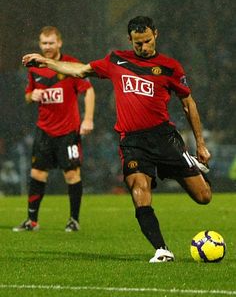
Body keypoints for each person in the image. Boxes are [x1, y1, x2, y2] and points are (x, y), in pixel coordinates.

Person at [22, 16, 212, 262]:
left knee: (204, 197)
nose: (143, 47)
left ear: (156, 34)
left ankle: (183, 165)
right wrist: (45, 61)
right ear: (129, 40)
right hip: (132, 141)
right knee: (139, 189)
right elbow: (79, 70)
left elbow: (188, 103)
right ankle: (162, 249)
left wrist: (201, 144)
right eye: (137, 43)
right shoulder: (116, 60)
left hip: (164, 138)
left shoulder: (170, 67)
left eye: (146, 41)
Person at [14, 26, 95, 232]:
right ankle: (32, 221)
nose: (47, 47)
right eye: (44, 43)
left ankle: (73, 220)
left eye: (51, 43)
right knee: (37, 174)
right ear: (39, 44)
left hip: (68, 131)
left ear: (59, 43)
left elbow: (89, 91)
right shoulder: (34, 68)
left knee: (72, 175)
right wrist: (30, 96)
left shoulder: (70, 65)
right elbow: (28, 94)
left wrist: (88, 119)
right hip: (44, 130)